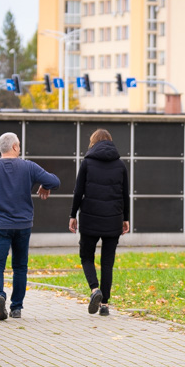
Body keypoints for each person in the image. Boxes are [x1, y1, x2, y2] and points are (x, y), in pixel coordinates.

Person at [0, 132, 60, 321]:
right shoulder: (28, 167)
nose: (20, 148)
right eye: (19, 145)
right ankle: (16, 308)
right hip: (23, 225)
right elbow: (55, 181)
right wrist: (45, 185)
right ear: (14, 147)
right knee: (20, 266)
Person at [69, 128, 130, 316]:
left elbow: (78, 192)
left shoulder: (87, 163)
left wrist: (73, 215)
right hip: (113, 219)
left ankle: (95, 289)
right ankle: (105, 305)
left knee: (86, 256)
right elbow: (125, 195)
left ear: (93, 142)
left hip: (90, 217)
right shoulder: (120, 165)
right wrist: (126, 218)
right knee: (107, 262)